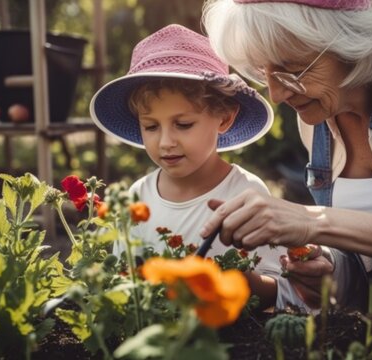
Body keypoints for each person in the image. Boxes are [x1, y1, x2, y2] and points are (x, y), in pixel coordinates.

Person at [200, 0, 372, 351]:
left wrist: (312, 219)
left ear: (350, 41)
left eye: (291, 69)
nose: (277, 95)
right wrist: (329, 268)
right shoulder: (317, 110)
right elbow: (367, 264)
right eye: (264, 73)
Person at [89, 24, 305, 309]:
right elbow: (121, 281)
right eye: (151, 126)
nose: (165, 141)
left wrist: (236, 283)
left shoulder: (246, 194)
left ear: (224, 118)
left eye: (183, 124)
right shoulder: (137, 197)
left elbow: (283, 291)